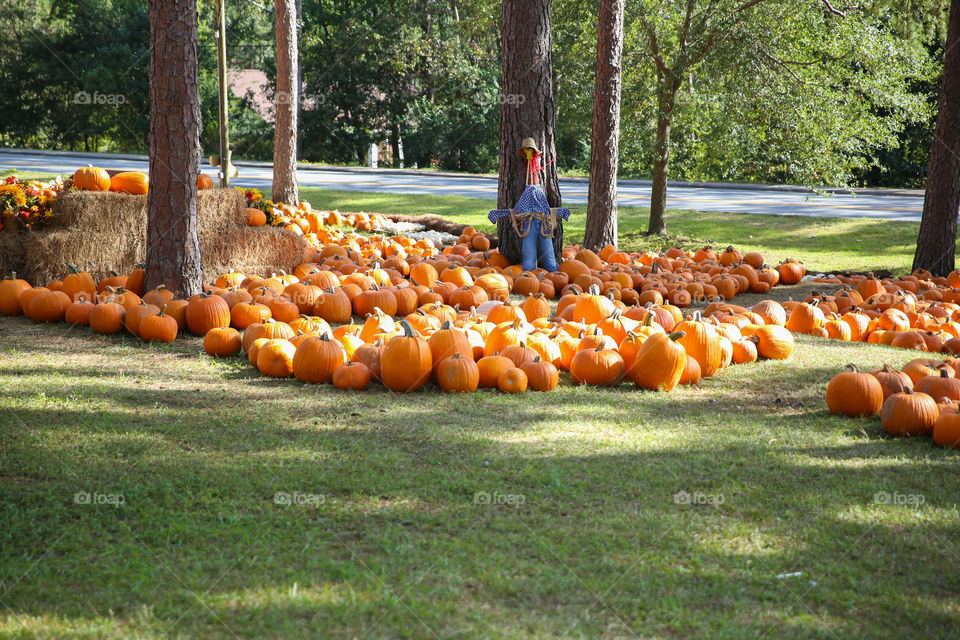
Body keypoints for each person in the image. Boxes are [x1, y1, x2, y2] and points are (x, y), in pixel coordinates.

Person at [488, 138, 569, 272]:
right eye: (527, 150)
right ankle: (529, 274)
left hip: (543, 222)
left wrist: (560, 212)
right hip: (529, 223)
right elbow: (518, 210)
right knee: (529, 251)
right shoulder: (528, 190)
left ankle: (553, 274)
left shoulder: (536, 189)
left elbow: (547, 209)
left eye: (529, 151)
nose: (528, 153)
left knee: (547, 251)